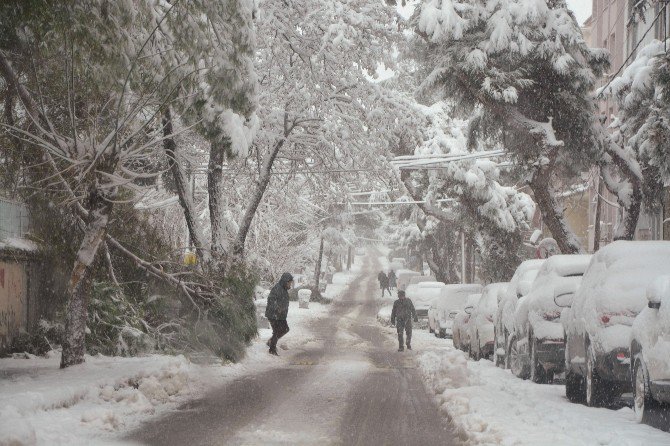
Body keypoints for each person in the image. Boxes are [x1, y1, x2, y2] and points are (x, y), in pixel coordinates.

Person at [265, 273, 294, 356]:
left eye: (291, 282)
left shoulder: (284, 289)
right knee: (277, 331)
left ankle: (270, 342)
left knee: (285, 329)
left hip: (281, 316)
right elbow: (271, 299)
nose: (290, 284)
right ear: (285, 281)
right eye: (289, 282)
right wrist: (277, 308)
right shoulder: (277, 288)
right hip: (273, 315)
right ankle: (272, 349)